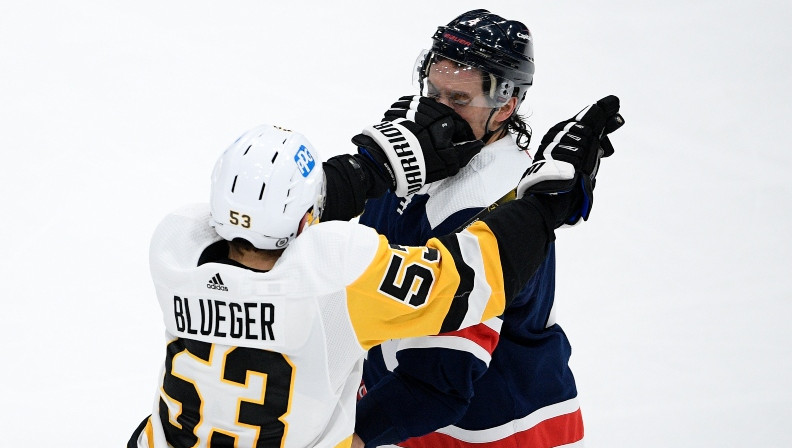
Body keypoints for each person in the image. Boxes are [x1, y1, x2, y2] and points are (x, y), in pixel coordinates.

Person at [127, 91, 621, 448]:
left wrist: (370, 170)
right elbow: (472, 276)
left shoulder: (173, 247)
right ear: (305, 217)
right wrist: (547, 200)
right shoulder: (338, 276)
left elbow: (255, 218)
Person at [352, 9, 623, 448]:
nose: (436, 112)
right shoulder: (409, 161)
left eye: (459, 100)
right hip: (404, 415)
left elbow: (438, 384)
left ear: (506, 106)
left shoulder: (485, 203)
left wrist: (347, 436)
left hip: (497, 431)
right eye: (432, 92)